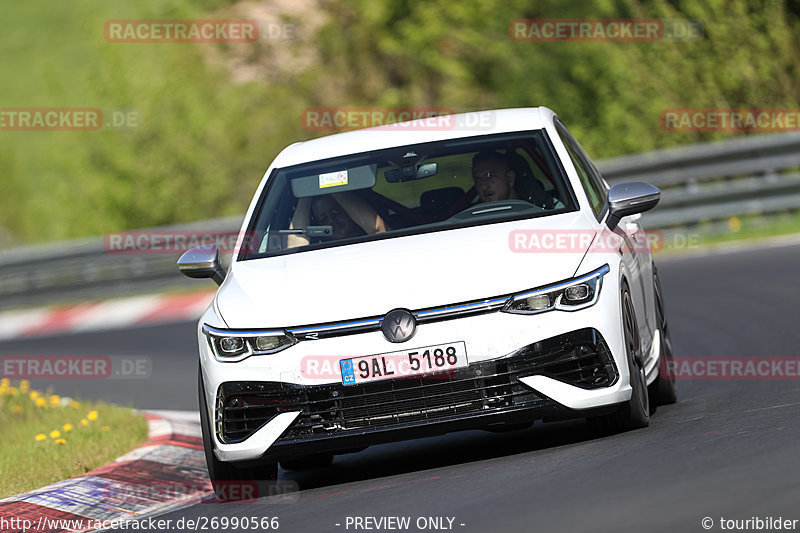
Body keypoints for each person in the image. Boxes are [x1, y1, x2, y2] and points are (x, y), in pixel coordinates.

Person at [287, 192, 388, 248]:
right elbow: (296, 247)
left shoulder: (373, 242)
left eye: (336, 211)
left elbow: (377, 229)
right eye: (323, 218)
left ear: (350, 212)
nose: (331, 221)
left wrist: (333, 188)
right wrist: (306, 192)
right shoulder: (319, 251)